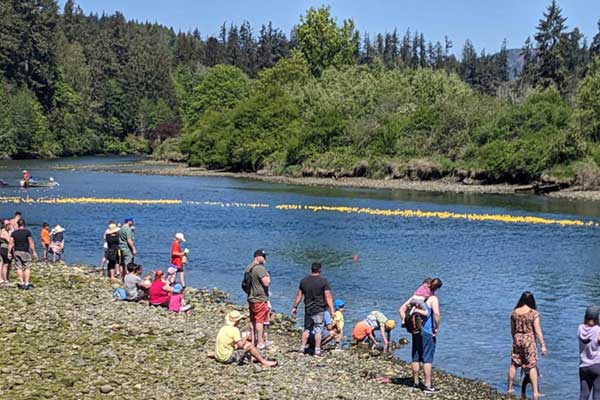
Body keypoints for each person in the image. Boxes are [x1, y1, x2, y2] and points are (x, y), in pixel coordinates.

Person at [399, 286, 441, 394]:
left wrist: (405, 322)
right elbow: (436, 314)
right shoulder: (432, 298)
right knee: (427, 358)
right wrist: (436, 328)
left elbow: (401, 309)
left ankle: (416, 383)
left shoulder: (415, 298)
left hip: (416, 330)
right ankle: (427, 385)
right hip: (427, 331)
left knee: (416, 357)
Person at [506, 291, 547, 399]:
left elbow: (512, 330)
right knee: (532, 366)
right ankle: (535, 392)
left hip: (517, 338)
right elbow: (537, 330)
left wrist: (515, 339)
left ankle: (509, 388)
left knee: (514, 364)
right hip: (529, 340)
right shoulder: (533, 313)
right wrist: (543, 345)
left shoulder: (514, 312)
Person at [291, 262, 334, 357]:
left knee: (307, 329)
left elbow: (299, 295)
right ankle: (317, 351)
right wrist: (332, 310)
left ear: (311, 269)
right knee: (318, 330)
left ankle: (302, 349)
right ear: (320, 269)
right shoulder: (323, 281)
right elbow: (328, 296)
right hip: (319, 309)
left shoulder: (304, 281)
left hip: (308, 309)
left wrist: (295, 307)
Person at [245, 249, 270, 349]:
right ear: (257, 257)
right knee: (260, 321)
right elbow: (266, 283)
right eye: (263, 257)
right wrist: (268, 276)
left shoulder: (249, 267)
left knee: (253, 320)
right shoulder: (260, 268)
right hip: (259, 298)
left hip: (251, 297)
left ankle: (254, 340)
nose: (265, 259)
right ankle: (260, 342)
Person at [7, 219, 37, 290]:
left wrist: (9, 252)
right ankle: (26, 283)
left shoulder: (14, 233)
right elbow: (31, 243)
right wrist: (34, 252)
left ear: (18, 224)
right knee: (27, 267)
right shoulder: (27, 232)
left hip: (17, 251)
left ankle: (21, 282)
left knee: (19, 267)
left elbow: (11, 243)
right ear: (24, 224)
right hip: (25, 251)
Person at [578, 306, 600, 400]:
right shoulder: (597, 329)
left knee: (584, 394)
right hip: (597, 365)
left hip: (583, 366)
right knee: (597, 394)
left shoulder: (580, 328)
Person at [0, 219, 11, 286]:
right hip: (4, 249)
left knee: (8, 265)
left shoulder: (8, 231)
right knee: (5, 265)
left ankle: (6, 278)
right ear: (4, 225)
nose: (9, 225)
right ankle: (5, 280)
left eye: (9, 224)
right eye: (7, 224)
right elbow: (9, 241)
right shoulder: (3, 232)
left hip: (7, 248)